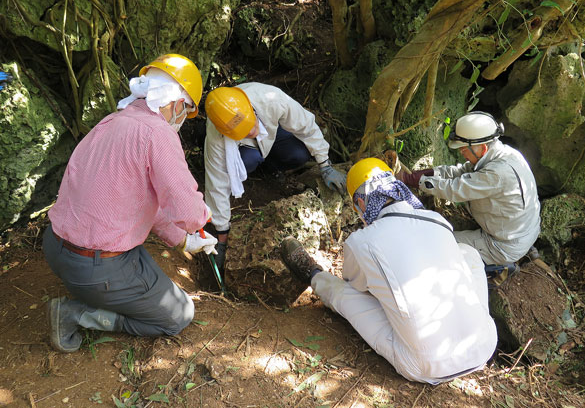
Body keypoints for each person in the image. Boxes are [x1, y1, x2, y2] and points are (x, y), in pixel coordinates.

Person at [44, 54, 219, 353]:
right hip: (96, 267)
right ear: (178, 103)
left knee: (140, 263)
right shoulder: (157, 132)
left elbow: (142, 204)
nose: (183, 119)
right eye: (187, 110)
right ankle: (77, 315)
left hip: (57, 249)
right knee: (179, 315)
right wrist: (202, 219)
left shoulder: (112, 121)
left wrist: (182, 241)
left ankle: (98, 293)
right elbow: (188, 208)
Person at [280, 158, 497, 384]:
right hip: (484, 346)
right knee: (467, 253)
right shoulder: (437, 220)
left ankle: (313, 274)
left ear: (361, 203)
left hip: (422, 364)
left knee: (344, 294)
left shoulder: (361, 241)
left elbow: (356, 286)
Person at [203, 82, 346, 273]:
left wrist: (325, 165)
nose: (251, 131)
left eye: (250, 124)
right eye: (244, 132)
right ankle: (255, 163)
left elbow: (306, 126)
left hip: (274, 132)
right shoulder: (217, 136)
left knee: (299, 154)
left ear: (251, 108)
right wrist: (222, 235)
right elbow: (216, 183)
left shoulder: (270, 98)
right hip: (247, 151)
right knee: (247, 161)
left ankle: (272, 166)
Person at [398, 111, 540, 273]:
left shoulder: (497, 173)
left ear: (483, 147)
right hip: (523, 231)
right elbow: (462, 172)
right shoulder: (505, 154)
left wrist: (417, 181)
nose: (461, 152)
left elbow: (456, 189)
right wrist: (431, 173)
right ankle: (520, 251)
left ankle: (500, 267)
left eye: (464, 149)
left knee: (436, 242)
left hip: (502, 245)